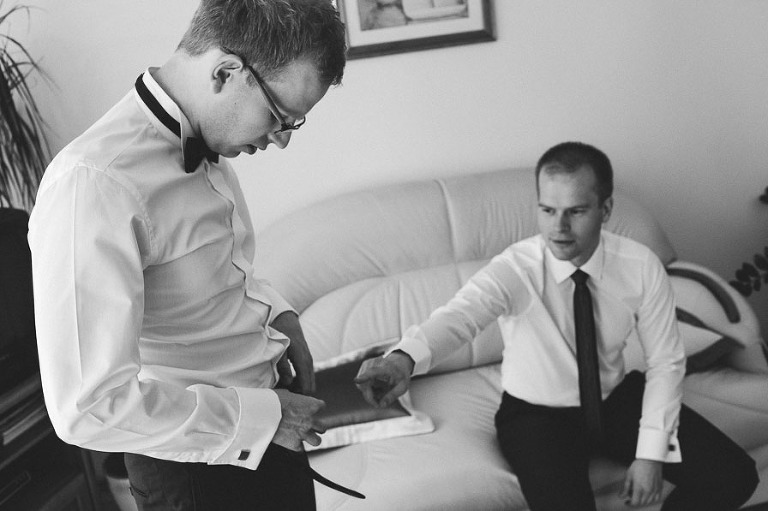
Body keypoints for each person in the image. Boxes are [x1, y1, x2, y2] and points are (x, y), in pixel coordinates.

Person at [28, 1, 351, 510]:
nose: (282, 140)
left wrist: (279, 315)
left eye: (294, 122)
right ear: (225, 73)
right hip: (199, 476)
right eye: (278, 116)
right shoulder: (92, 184)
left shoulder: (210, 140)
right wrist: (261, 419)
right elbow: (87, 407)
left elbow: (221, 272)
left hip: (272, 432)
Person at [355, 141, 758, 510]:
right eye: (548, 210)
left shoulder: (640, 266)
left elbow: (666, 362)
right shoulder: (517, 267)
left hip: (615, 399)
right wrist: (402, 359)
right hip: (536, 418)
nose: (558, 227)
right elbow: (460, 317)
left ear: (605, 210)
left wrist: (651, 455)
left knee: (734, 476)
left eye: (576, 211)